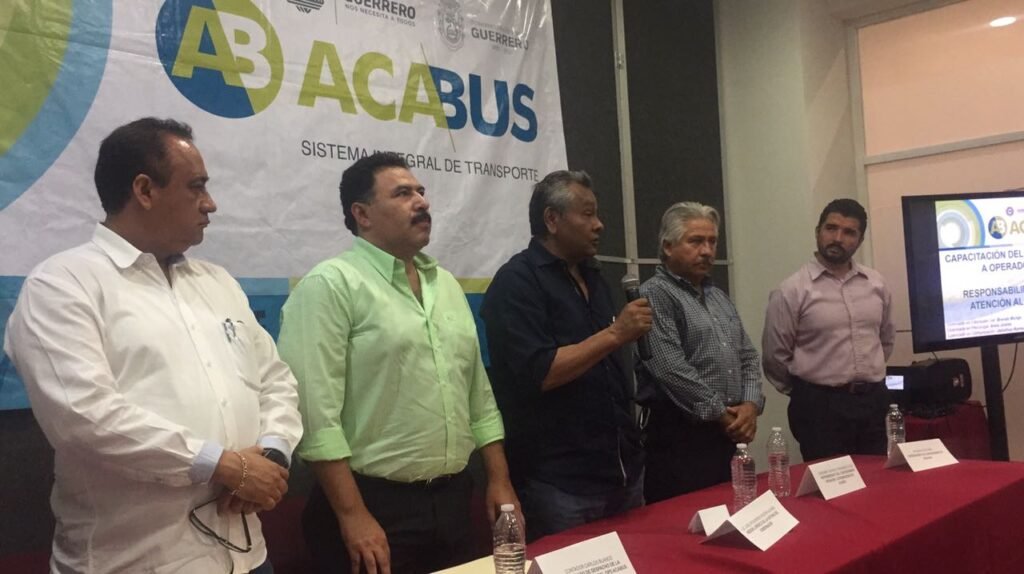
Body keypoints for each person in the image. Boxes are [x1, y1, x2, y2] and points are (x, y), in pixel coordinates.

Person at [3, 117, 302, 574]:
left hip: (246, 554)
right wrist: (221, 466)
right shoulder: (63, 285)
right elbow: (83, 416)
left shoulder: (217, 282)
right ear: (144, 190)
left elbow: (274, 380)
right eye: (196, 187)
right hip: (138, 561)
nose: (211, 204)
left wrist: (273, 454)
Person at [277, 152, 518, 574]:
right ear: (362, 214)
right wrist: (353, 515)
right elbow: (315, 416)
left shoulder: (445, 284)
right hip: (371, 506)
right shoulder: (330, 285)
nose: (422, 202)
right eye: (403, 193)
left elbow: (477, 395)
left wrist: (499, 480)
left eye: (420, 191)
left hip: (453, 502)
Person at [480, 170, 650, 540]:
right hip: (560, 484)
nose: (599, 224)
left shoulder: (594, 277)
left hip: (622, 472)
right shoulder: (517, 282)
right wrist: (616, 333)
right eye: (587, 214)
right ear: (552, 220)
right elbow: (540, 373)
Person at [635, 202, 763, 502]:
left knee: (732, 511)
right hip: (681, 438)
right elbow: (670, 368)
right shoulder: (655, 294)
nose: (707, 251)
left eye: (712, 241)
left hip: (727, 433)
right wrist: (723, 414)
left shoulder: (718, 297)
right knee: (686, 521)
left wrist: (750, 405)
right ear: (668, 246)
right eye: (695, 241)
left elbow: (748, 356)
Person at [762, 198, 895, 461]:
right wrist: (806, 391)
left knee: (877, 479)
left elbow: (885, 340)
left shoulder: (876, 284)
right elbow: (774, 357)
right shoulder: (792, 290)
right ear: (817, 231)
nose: (837, 238)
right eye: (831, 228)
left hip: (873, 402)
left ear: (860, 240)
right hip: (819, 407)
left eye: (849, 232)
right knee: (829, 482)